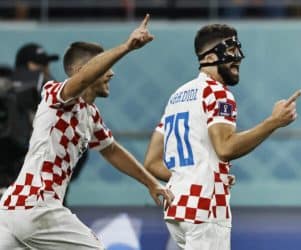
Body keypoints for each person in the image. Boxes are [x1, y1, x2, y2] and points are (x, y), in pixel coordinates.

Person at [0, 14, 173, 249]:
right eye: (105, 67)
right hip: (37, 207)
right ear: (83, 70)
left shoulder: (90, 115)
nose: (111, 73)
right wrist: (126, 47)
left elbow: (111, 150)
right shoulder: (54, 93)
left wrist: (151, 183)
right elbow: (80, 82)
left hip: (13, 210)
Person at [144, 23, 301, 249]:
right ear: (208, 57)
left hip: (177, 208)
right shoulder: (218, 92)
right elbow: (225, 148)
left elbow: (151, 162)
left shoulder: (177, 96)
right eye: (230, 51)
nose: (237, 58)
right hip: (205, 208)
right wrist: (273, 122)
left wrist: (197, 174)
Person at [15, 42, 89, 206]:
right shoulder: (9, 98)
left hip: (50, 187)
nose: (45, 70)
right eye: (39, 65)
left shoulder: (56, 97)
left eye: (46, 64)